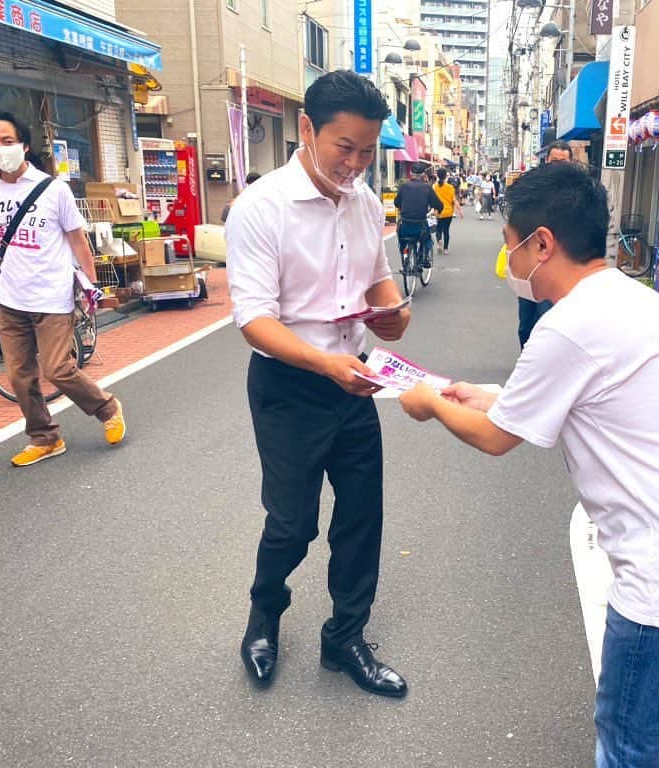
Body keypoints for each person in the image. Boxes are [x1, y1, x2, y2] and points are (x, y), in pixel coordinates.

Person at [399, 161, 659, 768]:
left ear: (542, 243)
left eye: (510, 247)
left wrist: (430, 404)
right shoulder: (629, 298)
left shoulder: (568, 325)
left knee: (627, 745)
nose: (510, 266)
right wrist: (475, 394)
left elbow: (496, 438)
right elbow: (551, 406)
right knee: (654, 734)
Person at [225, 70, 411, 697]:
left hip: (356, 382)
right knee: (292, 523)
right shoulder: (260, 207)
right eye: (344, 148)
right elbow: (254, 320)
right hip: (289, 386)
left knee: (362, 517)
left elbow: (378, 279)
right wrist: (326, 363)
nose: (356, 164)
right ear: (306, 130)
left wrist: (396, 310)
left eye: (367, 151)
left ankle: (346, 640)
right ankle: (264, 615)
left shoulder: (363, 201)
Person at [0, 111, 126, 466]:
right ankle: (44, 438)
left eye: (7, 142)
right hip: (9, 297)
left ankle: (106, 407)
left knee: (57, 369)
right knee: (20, 375)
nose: (1, 149)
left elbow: (78, 240)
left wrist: (90, 287)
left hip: (51, 295)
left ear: (24, 144)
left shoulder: (54, 189)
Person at [518, 143, 573, 348]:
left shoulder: (578, 192)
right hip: (530, 265)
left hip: (556, 266)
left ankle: (539, 368)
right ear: (547, 161)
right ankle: (527, 357)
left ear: (570, 163)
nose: (557, 166)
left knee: (545, 320)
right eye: (554, 161)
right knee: (525, 323)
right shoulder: (534, 186)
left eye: (563, 162)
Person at [394, 162, 443, 266]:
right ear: (424, 175)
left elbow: (396, 202)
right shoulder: (427, 188)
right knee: (428, 240)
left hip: (404, 225)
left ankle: (404, 256)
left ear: (411, 174)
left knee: (402, 240)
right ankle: (424, 258)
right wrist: (438, 212)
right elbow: (438, 204)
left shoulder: (404, 186)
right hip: (420, 226)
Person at [432, 168, 458, 254]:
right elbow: (453, 200)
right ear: (446, 176)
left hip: (438, 212)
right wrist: (459, 210)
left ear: (437, 176)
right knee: (446, 231)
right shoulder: (450, 187)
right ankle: (446, 249)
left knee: (438, 229)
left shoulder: (434, 186)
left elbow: (432, 199)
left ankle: (439, 241)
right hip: (448, 212)